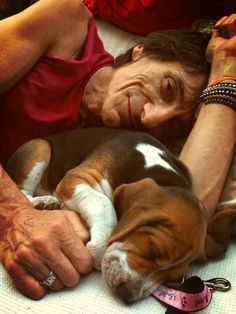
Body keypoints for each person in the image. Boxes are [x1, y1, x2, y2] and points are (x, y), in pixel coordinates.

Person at [0, 0, 235, 300]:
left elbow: (188, 207)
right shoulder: (66, 21)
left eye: (172, 127)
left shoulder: (118, 151)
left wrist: (226, 70)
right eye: (167, 88)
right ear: (143, 50)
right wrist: (12, 213)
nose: (151, 118)